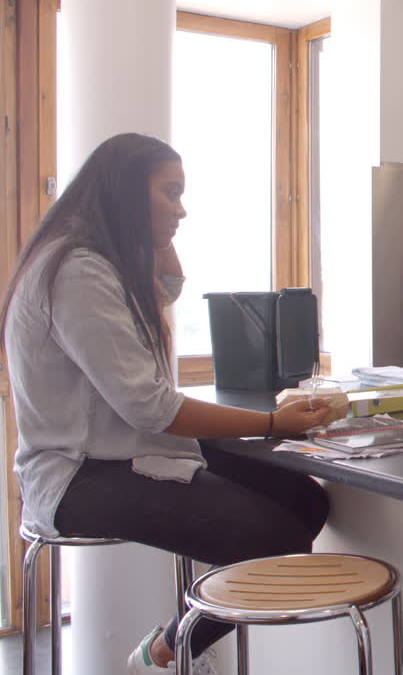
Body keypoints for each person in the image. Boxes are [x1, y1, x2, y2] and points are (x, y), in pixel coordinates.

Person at [0, 133, 339, 674]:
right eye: (170, 193)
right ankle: (166, 654)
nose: (182, 210)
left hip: (128, 452)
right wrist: (275, 422)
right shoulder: (77, 270)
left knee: (307, 504)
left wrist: (149, 224)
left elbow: (170, 281)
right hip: (78, 475)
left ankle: (165, 648)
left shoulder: (101, 261)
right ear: (124, 193)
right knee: (279, 539)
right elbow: (151, 407)